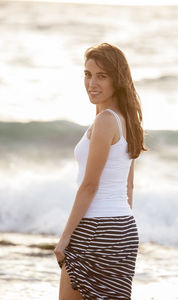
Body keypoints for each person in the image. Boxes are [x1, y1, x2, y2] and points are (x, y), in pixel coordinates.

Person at [54, 42, 148, 300]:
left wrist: (64, 240)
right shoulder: (129, 121)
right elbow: (128, 187)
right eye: (87, 74)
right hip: (124, 229)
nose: (91, 83)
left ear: (117, 80)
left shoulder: (106, 120)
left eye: (101, 76)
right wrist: (117, 231)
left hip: (95, 228)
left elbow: (89, 186)